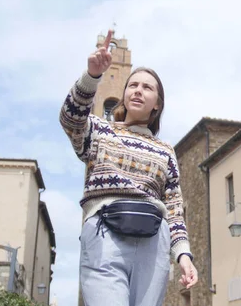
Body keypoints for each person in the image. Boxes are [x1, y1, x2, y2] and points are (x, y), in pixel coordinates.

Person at [60, 30, 198, 306]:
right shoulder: (99, 131)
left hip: (154, 242)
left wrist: (183, 255)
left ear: (157, 103)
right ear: (124, 95)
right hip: (104, 235)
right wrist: (91, 76)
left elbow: (174, 207)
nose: (138, 90)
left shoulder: (165, 150)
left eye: (147, 87)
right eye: (133, 85)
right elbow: (71, 119)